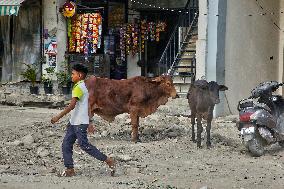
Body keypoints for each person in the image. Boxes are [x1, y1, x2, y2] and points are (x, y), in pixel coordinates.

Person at [51, 63, 115, 177]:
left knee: (84, 145)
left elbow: (71, 106)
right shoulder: (82, 86)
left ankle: (108, 160)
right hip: (74, 122)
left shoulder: (79, 87)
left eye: (73, 74)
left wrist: (58, 117)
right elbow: (87, 106)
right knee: (66, 144)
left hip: (79, 123)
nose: (71, 76)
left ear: (80, 75)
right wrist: (89, 122)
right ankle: (70, 169)